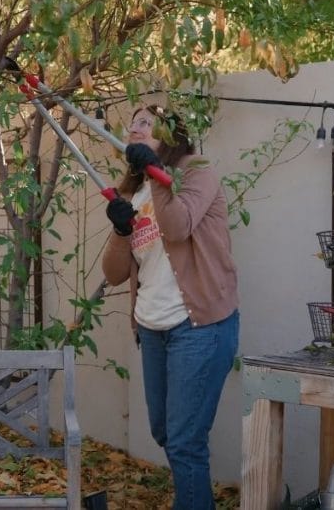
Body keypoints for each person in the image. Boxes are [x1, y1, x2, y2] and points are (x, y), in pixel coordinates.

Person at [101, 105, 239, 510]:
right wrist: (120, 229)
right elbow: (114, 274)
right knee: (165, 432)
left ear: (169, 132)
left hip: (198, 327)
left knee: (184, 441)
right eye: (133, 123)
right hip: (152, 327)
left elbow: (177, 227)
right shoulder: (132, 191)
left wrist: (158, 179)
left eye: (146, 122)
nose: (135, 127)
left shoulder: (197, 172)